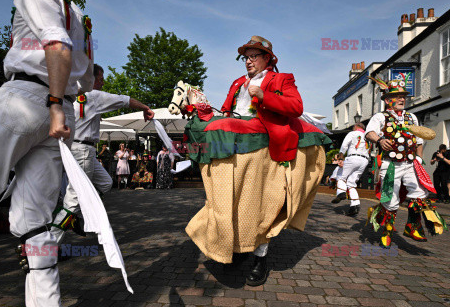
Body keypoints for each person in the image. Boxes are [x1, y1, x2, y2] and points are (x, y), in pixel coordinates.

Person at [0, 0, 94, 305]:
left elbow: (56, 41)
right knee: (35, 225)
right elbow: (89, 80)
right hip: (62, 107)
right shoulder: (77, 13)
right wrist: (58, 103)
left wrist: (52, 102)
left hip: (29, 95)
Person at [185, 36, 328, 287]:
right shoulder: (237, 83)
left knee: (264, 202)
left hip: (267, 146)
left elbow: (296, 106)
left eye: (254, 56)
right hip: (238, 146)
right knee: (236, 200)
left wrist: (263, 95)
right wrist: (206, 110)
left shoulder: (282, 79)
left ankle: (260, 258)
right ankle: (238, 248)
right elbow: (227, 114)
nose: (248, 61)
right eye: (246, 57)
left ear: (267, 59)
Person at [50, 63, 154, 244]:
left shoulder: (70, 95)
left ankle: (76, 215)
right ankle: (50, 244)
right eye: (100, 79)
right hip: (83, 150)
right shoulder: (93, 95)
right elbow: (125, 100)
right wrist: (145, 107)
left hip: (77, 148)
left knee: (106, 182)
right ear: (89, 79)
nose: (103, 83)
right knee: (74, 199)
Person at [365, 76, 447, 248]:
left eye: (404, 96)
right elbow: (369, 133)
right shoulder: (380, 116)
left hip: (410, 163)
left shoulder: (412, 117)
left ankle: (413, 227)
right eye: (398, 96)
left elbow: (418, 140)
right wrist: (379, 140)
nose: (402, 99)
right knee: (390, 200)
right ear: (388, 100)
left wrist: (418, 157)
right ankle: (387, 231)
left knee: (419, 194)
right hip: (390, 164)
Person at [331, 123, 371, 216]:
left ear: (356, 127)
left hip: (353, 157)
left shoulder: (352, 133)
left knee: (340, 176)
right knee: (351, 183)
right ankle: (355, 205)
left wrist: (340, 158)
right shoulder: (367, 136)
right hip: (364, 160)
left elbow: (344, 145)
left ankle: (341, 192)